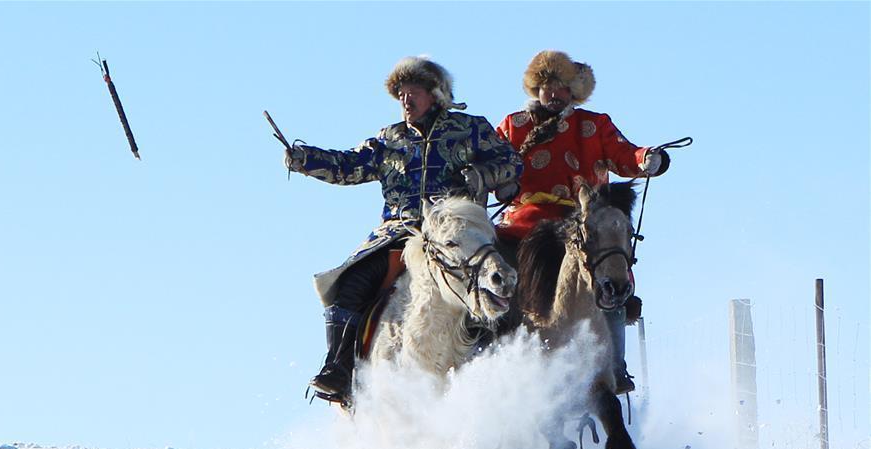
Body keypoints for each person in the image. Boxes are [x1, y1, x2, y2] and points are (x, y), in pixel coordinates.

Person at [284, 57, 522, 402]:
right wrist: (306, 159)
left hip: (457, 235)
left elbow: (512, 162)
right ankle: (338, 370)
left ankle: (508, 368)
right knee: (349, 285)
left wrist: (482, 175)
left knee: (498, 282)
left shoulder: (470, 129)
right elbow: (349, 166)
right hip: (399, 234)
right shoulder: (388, 139)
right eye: (400, 95)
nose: (405, 102)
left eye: (413, 93)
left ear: (436, 95)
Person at [495, 50, 671, 394]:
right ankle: (492, 342)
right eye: (548, 85)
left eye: (562, 87)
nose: (555, 93)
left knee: (614, 278)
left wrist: (648, 158)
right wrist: (494, 179)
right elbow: (494, 161)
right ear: (537, 88)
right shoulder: (514, 125)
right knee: (489, 267)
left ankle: (614, 364)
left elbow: (624, 154)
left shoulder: (594, 125)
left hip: (580, 222)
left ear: (574, 92)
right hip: (525, 222)